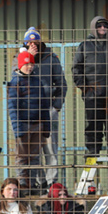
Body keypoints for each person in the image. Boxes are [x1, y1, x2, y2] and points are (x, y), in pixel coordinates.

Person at [12, 27, 67, 189]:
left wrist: (56, 107)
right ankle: (37, 181)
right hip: (28, 111)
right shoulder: (19, 58)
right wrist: (30, 58)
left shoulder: (51, 57)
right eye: (29, 42)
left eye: (35, 42)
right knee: (32, 149)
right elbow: (17, 79)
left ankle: (51, 183)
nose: (33, 45)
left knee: (50, 147)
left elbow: (62, 84)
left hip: (48, 109)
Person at [71, 16, 108, 160]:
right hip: (92, 94)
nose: (102, 29)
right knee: (93, 123)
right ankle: (92, 150)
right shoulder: (85, 45)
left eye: (105, 26)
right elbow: (76, 68)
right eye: (99, 26)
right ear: (93, 27)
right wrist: (85, 88)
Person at [7, 49, 52, 190]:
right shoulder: (15, 83)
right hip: (23, 125)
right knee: (21, 157)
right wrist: (18, 129)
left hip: (37, 125)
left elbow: (44, 106)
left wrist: (46, 127)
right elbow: (13, 108)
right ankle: (23, 185)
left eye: (31, 64)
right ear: (20, 66)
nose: (29, 67)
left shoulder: (37, 82)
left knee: (35, 157)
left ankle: (32, 183)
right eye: (26, 64)